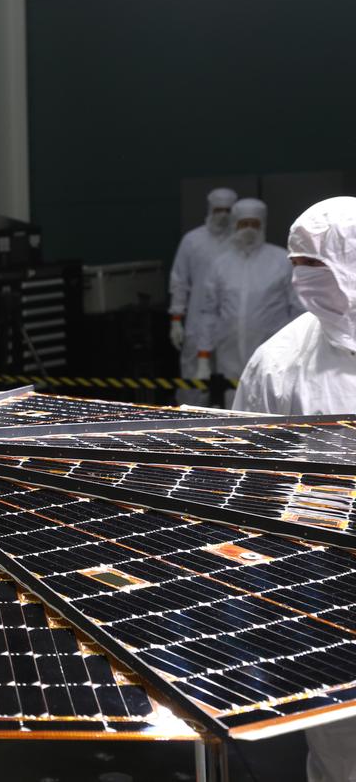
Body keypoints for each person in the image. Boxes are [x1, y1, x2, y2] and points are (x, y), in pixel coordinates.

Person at [232, 197, 356, 782]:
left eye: (318, 264)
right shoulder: (279, 362)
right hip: (325, 587)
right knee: (339, 748)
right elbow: (245, 479)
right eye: (297, 263)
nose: (303, 279)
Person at [189, 198, 299, 405]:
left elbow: (299, 310)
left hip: (273, 353)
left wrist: (296, 349)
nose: (249, 230)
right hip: (228, 355)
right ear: (234, 225)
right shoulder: (220, 264)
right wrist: (203, 355)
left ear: (263, 226)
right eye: (243, 224)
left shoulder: (282, 261)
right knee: (233, 407)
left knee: (270, 406)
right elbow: (208, 312)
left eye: (254, 224)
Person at [170, 187, 237, 403]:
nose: (223, 215)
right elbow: (180, 281)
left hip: (230, 319)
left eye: (228, 210)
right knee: (193, 375)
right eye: (219, 210)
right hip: (198, 320)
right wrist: (176, 319)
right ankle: (189, 422)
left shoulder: (239, 242)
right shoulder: (192, 241)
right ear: (210, 210)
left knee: (231, 372)